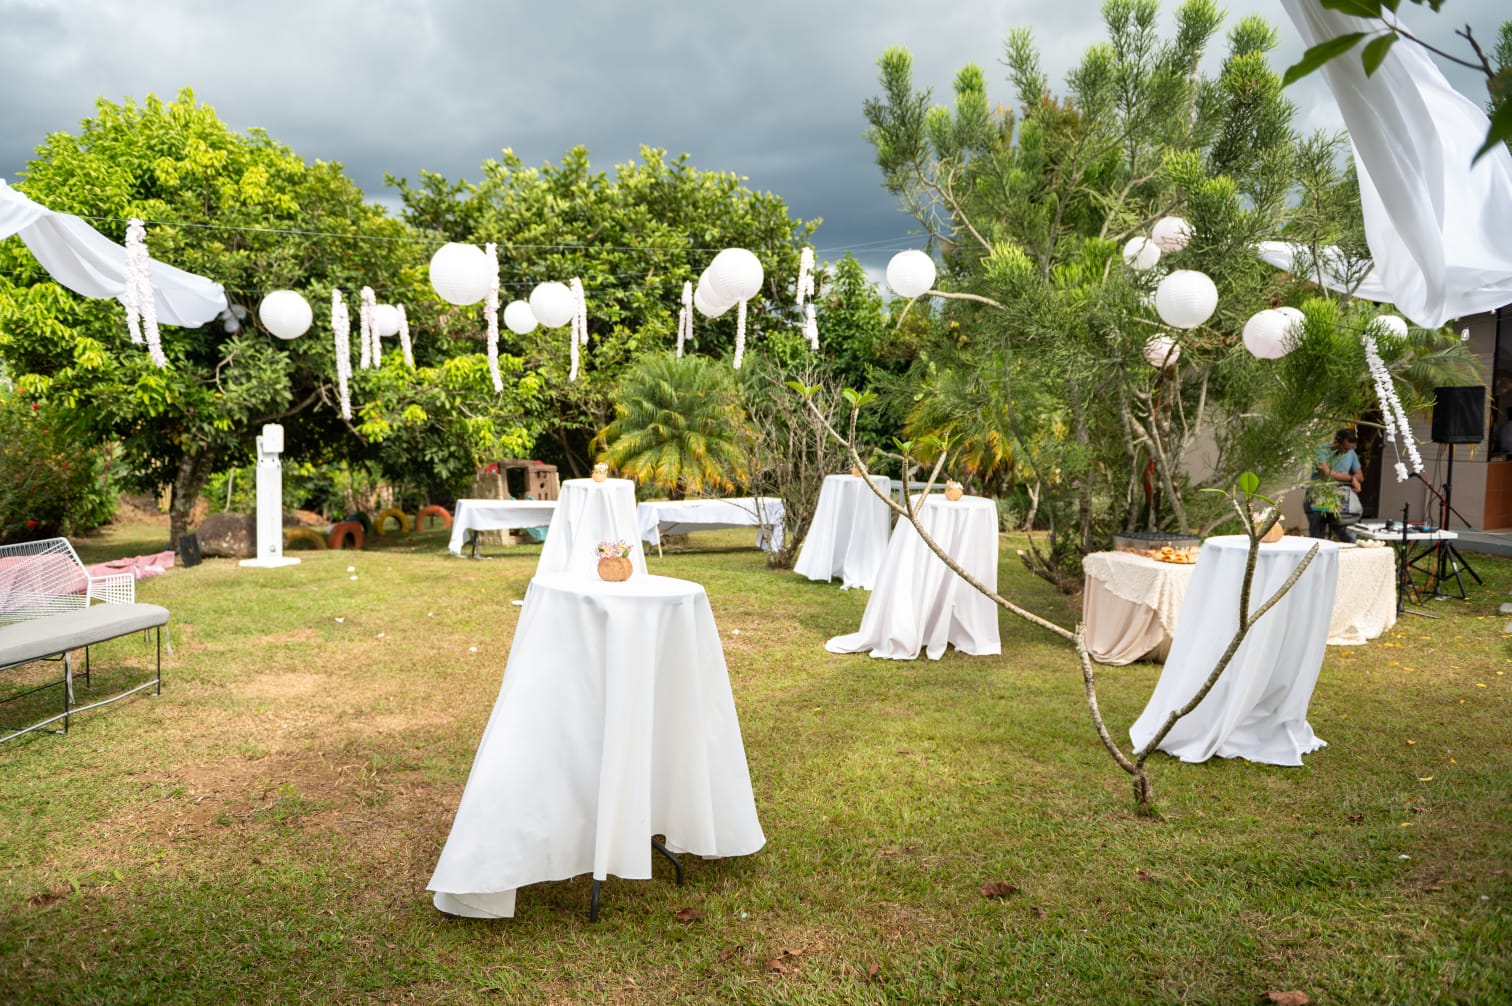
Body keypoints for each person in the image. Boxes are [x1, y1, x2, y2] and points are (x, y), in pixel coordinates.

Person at [1304, 428, 1363, 543]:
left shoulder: (1351, 453)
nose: (1347, 452)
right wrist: (1350, 478)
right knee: (1317, 537)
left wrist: (1339, 475)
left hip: (1339, 498)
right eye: (1345, 448)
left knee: (1347, 534)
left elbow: (1360, 476)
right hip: (1318, 496)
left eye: (1351, 449)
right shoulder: (1322, 450)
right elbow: (1326, 473)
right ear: (1337, 441)